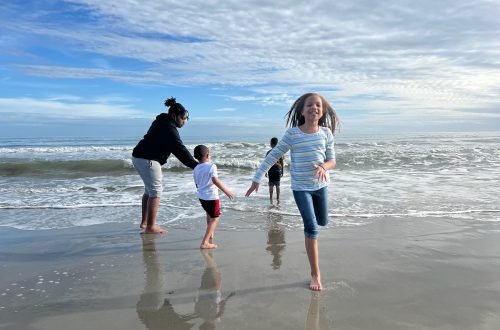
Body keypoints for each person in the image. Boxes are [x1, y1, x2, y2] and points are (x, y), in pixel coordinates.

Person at [246, 92, 339, 291]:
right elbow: (273, 156)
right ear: (302, 110)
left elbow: (332, 160)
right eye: (310, 105)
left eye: (318, 105)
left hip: (321, 185)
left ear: (322, 112)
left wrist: (324, 167)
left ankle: (314, 231)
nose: (314, 107)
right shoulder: (293, 134)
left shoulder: (326, 133)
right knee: (312, 228)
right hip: (300, 187)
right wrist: (257, 178)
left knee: (322, 221)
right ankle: (315, 273)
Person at [132, 97, 198, 234]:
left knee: (149, 191)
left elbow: (177, 148)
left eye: (186, 118)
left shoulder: (161, 121)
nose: (185, 121)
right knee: (156, 191)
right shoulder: (169, 129)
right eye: (183, 117)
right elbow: (181, 150)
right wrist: (197, 166)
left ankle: (145, 223)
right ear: (174, 116)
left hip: (138, 157)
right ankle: (151, 227)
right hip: (148, 159)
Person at [193, 145, 234, 249]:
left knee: (209, 214)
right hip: (211, 197)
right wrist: (226, 191)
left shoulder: (196, 168)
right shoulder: (212, 166)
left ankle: (210, 233)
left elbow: (197, 184)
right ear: (207, 155)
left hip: (202, 196)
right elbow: (215, 180)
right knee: (215, 218)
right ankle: (205, 242)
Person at [265, 137, 285, 205]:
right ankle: (277, 199)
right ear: (277, 144)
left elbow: (266, 162)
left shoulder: (268, 152)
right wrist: (282, 171)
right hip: (277, 169)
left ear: (271, 144)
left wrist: (265, 171)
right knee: (277, 185)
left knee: (271, 185)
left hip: (270, 170)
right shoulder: (280, 152)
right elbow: (282, 162)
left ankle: (270, 198)